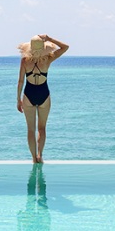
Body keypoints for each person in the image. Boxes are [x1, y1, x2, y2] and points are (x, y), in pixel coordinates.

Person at [16, 34, 69, 163]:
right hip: (44, 94)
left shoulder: (25, 61)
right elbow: (65, 47)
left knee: (30, 129)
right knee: (42, 128)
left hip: (29, 94)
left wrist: (18, 99)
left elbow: (20, 81)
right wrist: (49, 38)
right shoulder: (48, 59)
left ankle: (34, 158)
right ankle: (40, 155)